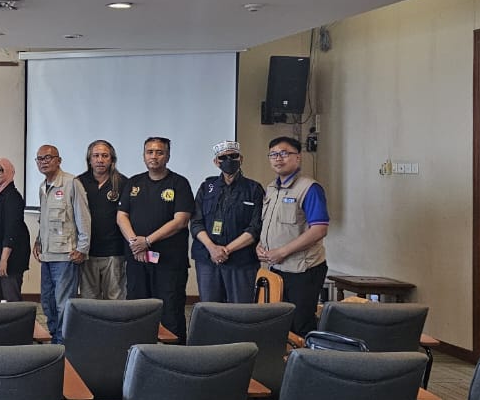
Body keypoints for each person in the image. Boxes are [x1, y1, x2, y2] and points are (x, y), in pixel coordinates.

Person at [117, 137, 195, 342]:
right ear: (144, 156)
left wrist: (147, 241)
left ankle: (174, 355)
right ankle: (137, 352)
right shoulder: (133, 182)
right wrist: (136, 243)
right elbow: (121, 216)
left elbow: (181, 220)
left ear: (167, 156)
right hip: (137, 259)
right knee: (137, 310)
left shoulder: (179, 183)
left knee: (171, 310)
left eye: (159, 152)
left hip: (169, 262)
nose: (154, 156)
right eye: (149, 152)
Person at [258, 136, 329, 336]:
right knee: (280, 323)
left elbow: (319, 229)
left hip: (303, 270)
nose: (278, 158)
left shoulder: (309, 188)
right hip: (277, 268)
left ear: (298, 157)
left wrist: (282, 252)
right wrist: (260, 245)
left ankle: (305, 356)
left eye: (284, 153)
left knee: (300, 324)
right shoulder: (272, 188)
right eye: (273, 154)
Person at [191, 140, 264, 303]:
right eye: (223, 158)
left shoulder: (254, 189)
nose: (228, 161)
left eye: (233, 156)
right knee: (210, 309)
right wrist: (212, 249)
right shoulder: (207, 187)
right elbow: (196, 222)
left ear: (241, 159)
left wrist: (226, 250)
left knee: (240, 310)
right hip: (207, 258)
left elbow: (255, 227)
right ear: (216, 162)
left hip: (241, 261)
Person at [33, 144, 90, 344]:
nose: (44, 162)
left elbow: (83, 217)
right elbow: (44, 219)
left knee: (63, 304)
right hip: (47, 254)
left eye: (48, 157)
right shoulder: (43, 186)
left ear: (59, 160)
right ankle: (54, 339)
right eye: (40, 159)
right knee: (47, 302)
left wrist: (82, 248)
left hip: (66, 255)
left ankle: (64, 344)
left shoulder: (71, 183)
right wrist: (38, 240)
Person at [76, 140, 130, 300]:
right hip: (87, 252)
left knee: (115, 299)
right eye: (96, 156)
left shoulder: (123, 183)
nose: (100, 160)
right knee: (88, 299)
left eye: (105, 156)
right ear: (89, 159)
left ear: (112, 159)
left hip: (114, 251)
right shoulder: (79, 182)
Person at [0, 157, 29, 303]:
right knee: (0, 300)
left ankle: (18, 320)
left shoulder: (12, 197)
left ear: (9, 172)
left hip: (11, 258)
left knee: (11, 300)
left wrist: (4, 260)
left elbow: (11, 231)